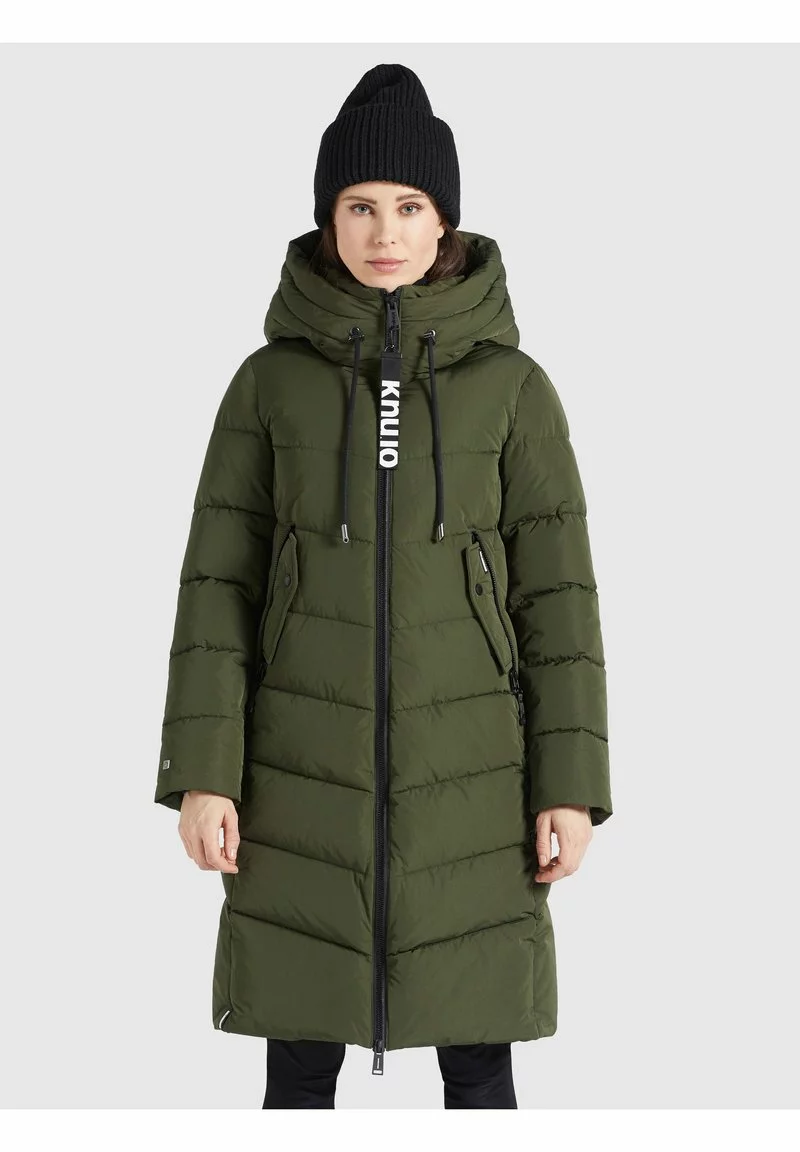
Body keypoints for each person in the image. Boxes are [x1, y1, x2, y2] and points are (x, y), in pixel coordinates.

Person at [154, 62, 613, 1109]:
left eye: (408, 206)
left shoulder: (513, 390)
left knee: (479, 1064)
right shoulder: (268, 385)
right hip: (297, 775)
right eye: (359, 206)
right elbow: (216, 589)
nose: (385, 232)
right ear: (328, 219)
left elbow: (559, 604)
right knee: (298, 1064)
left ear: (444, 218)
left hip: (476, 780)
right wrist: (203, 773)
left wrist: (570, 783)